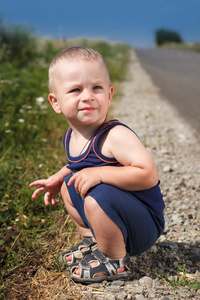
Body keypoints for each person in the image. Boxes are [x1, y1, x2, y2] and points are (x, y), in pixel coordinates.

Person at [29, 46, 165, 284]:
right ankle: (92, 241)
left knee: (96, 196)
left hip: (143, 223)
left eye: (96, 88)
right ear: (56, 102)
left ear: (110, 94)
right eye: (75, 90)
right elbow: (79, 165)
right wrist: (59, 176)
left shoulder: (115, 135)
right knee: (68, 185)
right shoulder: (72, 135)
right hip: (119, 216)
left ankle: (114, 260)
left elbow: (148, 175)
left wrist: (100, 173)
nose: (88, 96)